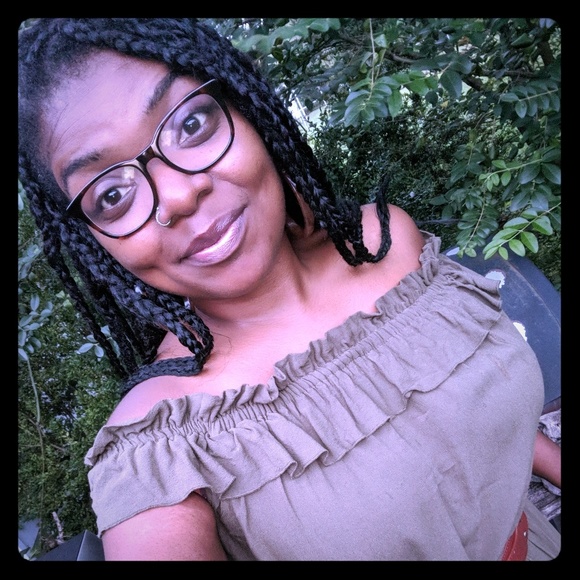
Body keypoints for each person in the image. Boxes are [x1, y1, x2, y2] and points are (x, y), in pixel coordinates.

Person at [18, 18, 561, 561]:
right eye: (112, 194)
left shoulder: (387, 243)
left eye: (190, 124)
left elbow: (465, 405)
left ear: (247, 111)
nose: (179, 196)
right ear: (92, 241)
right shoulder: (161, 449)